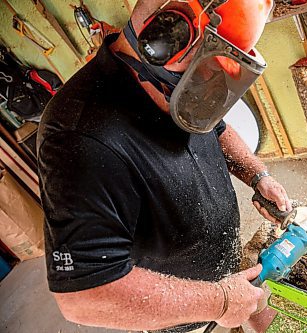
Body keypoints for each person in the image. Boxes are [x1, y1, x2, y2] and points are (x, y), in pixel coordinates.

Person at [37, 0, 290, 332]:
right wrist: (219, 302)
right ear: (164, 38)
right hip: (181, 313)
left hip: (229, 273)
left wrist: (257, 176)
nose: (208, 78)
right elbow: (85, 296)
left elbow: (216, 129)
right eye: (205, 68)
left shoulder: (174, 84)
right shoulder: (78, 137)